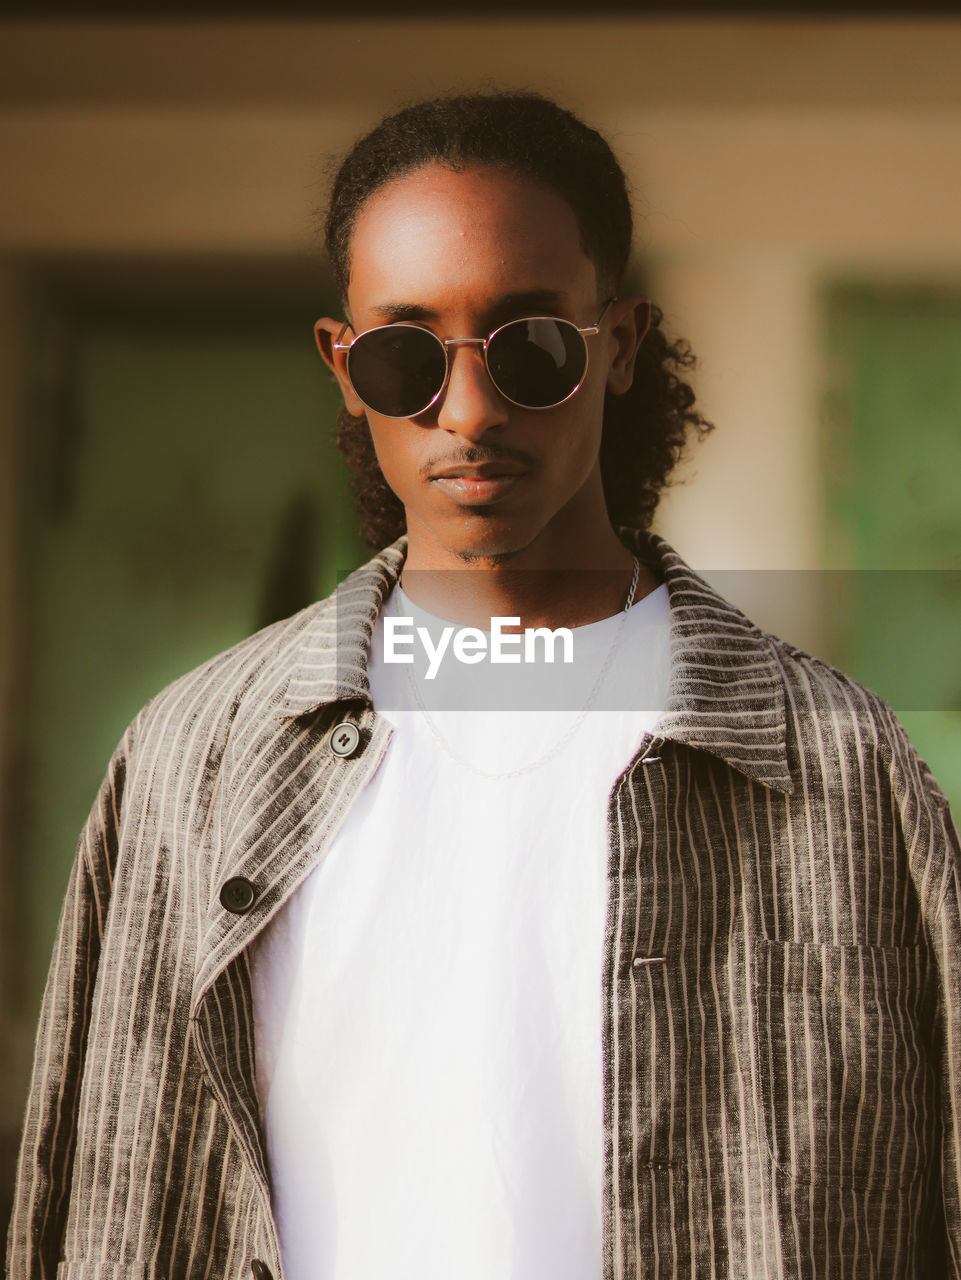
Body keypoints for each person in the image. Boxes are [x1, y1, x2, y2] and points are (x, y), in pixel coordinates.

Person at [6, 90, 961, 1280]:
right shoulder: (194, 759)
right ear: (344, 367)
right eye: (407, 353)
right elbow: (97, 1202)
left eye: (532, 348)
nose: (468, 410)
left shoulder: (836, 772)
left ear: (616, 346)